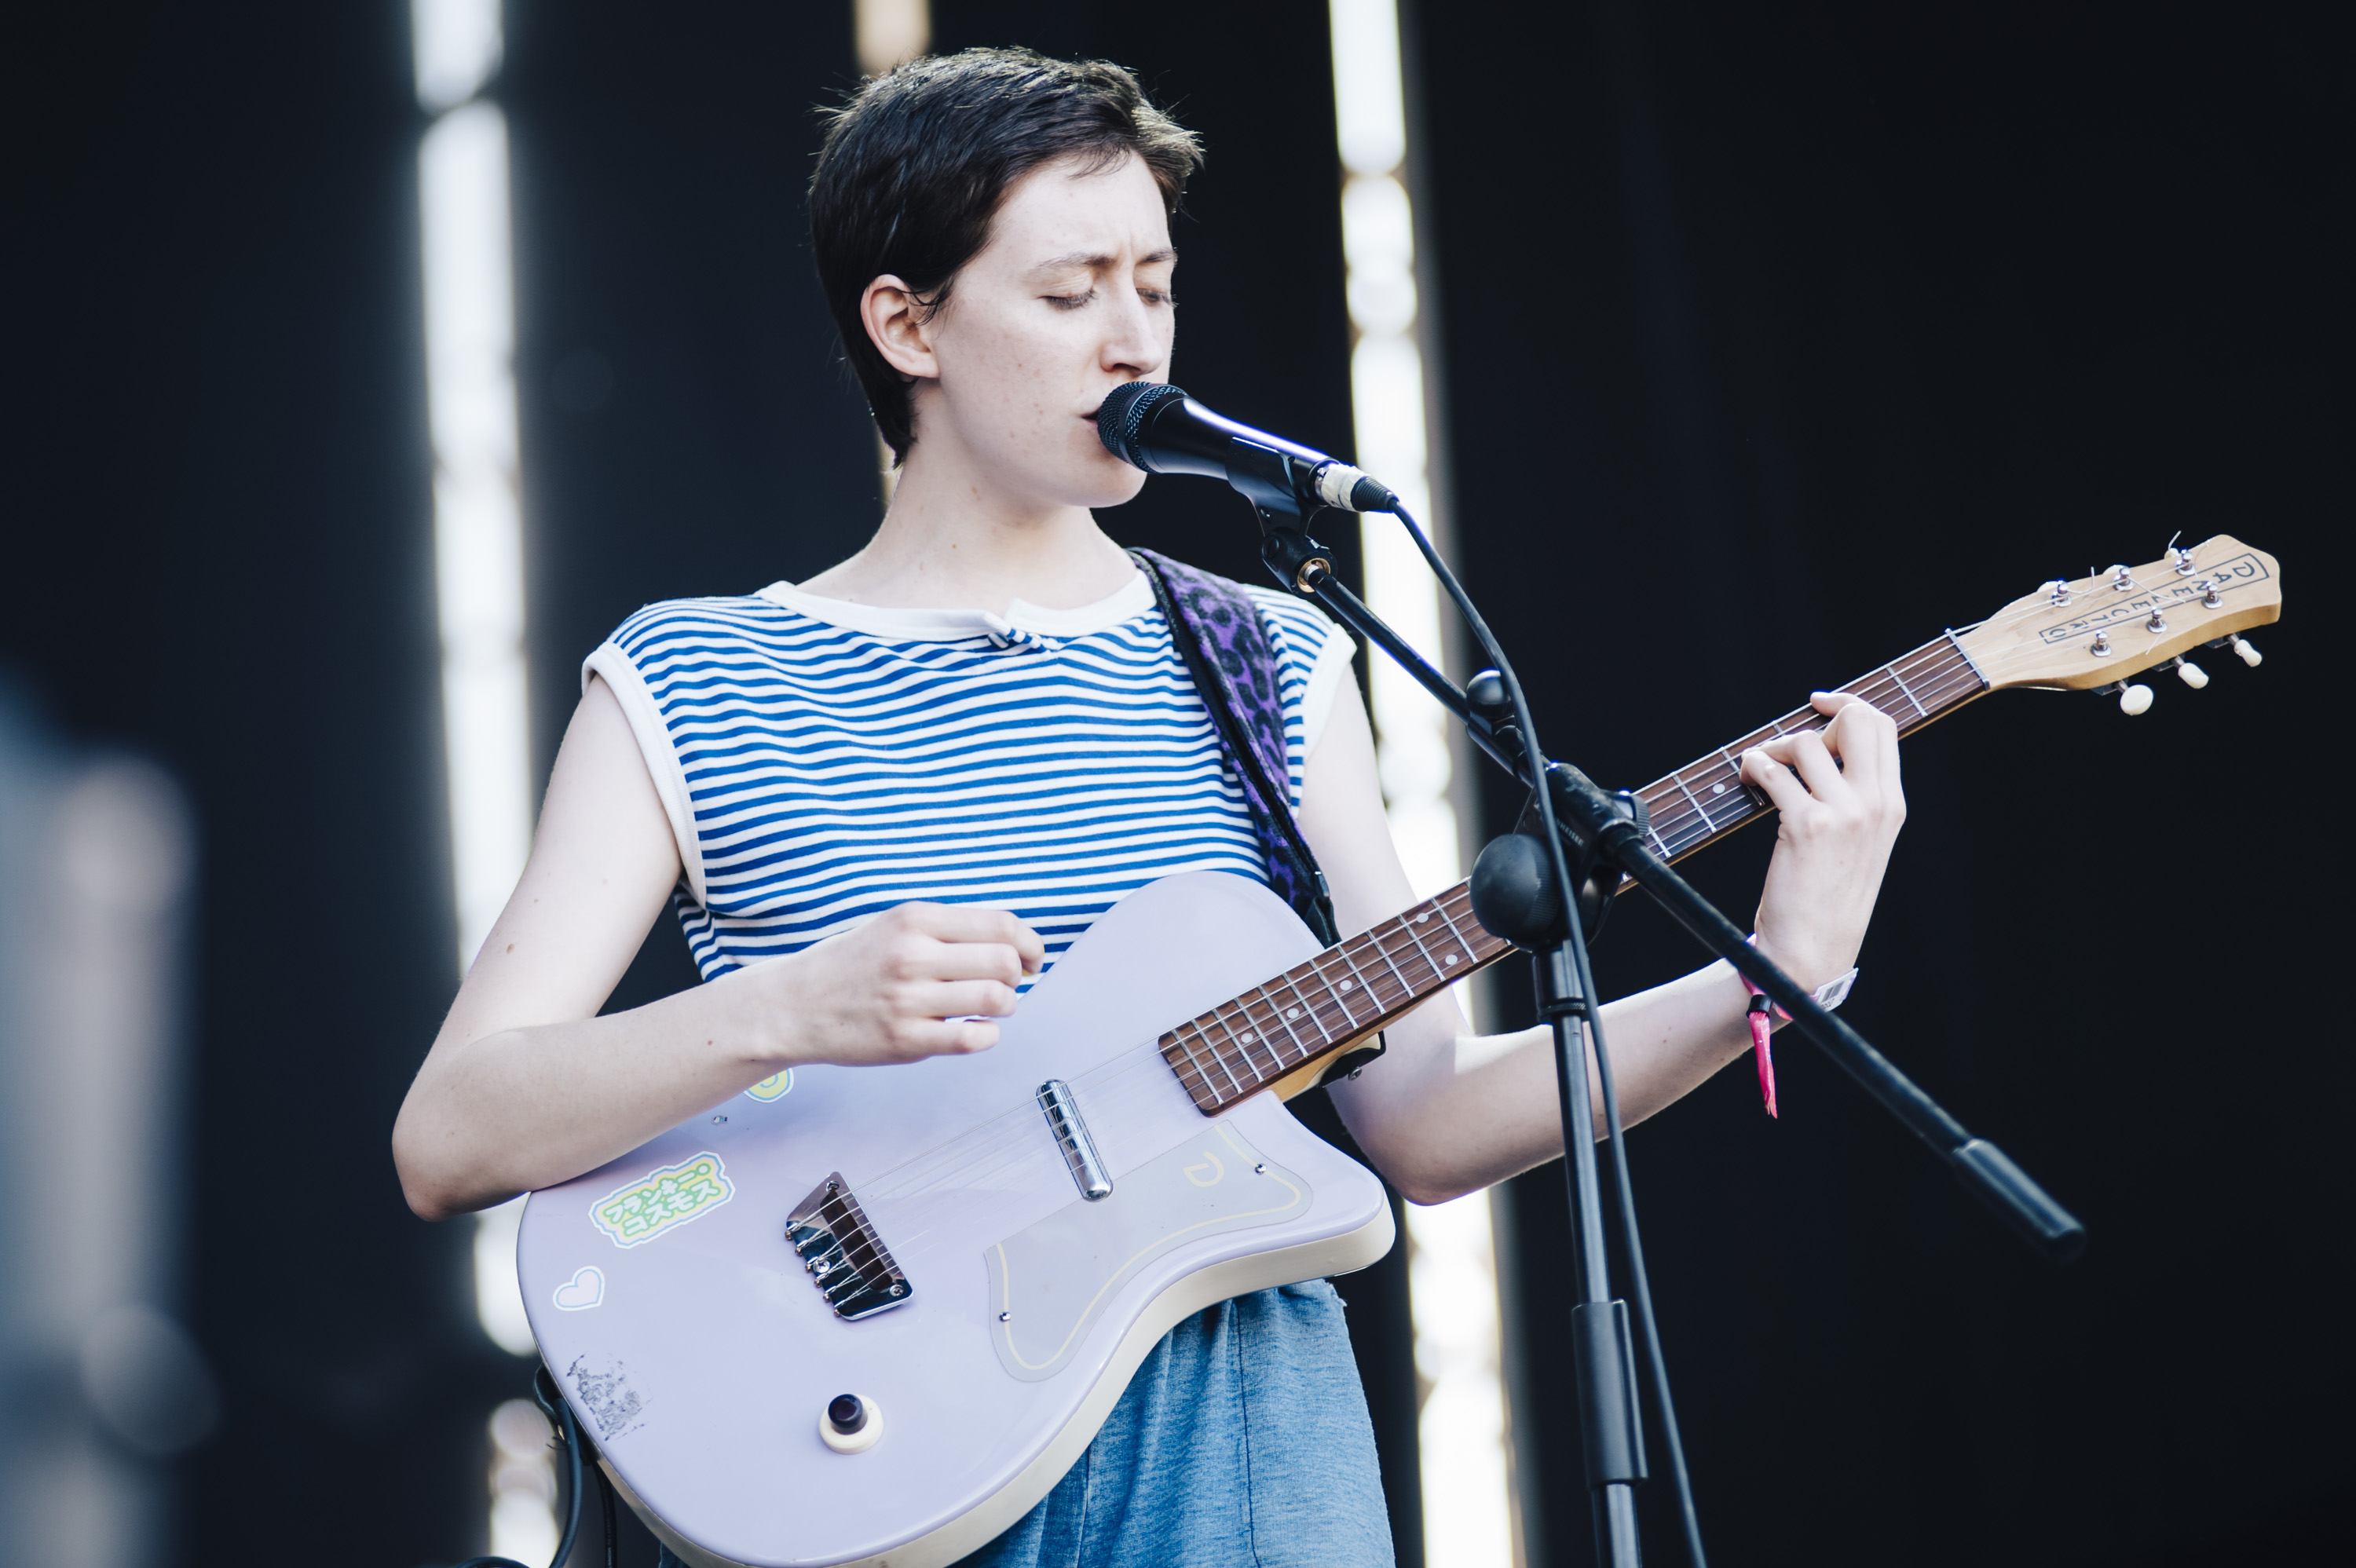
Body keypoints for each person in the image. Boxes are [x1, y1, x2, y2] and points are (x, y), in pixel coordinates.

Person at [391, 46, 1907, 1568]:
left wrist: (1773, 976)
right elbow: (452, 1133)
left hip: (1236, 1440)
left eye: (1155, 285)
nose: (1134, 341)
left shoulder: (1271, 656)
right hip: (869, 1448)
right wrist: (794, 1007)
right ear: (905, 322)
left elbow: (1426, 1122)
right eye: (1069, 296)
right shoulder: (696, 679)